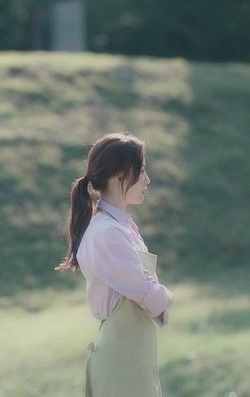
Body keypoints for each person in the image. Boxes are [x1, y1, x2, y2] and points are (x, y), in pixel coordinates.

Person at [55, 132, 173, 397]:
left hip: (133, 354)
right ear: (120, 175)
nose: (147, 180)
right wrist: (167, 296)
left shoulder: (120, 227)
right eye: (141, 171)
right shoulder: (108, 232)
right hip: (123, 359)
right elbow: (148, 293)